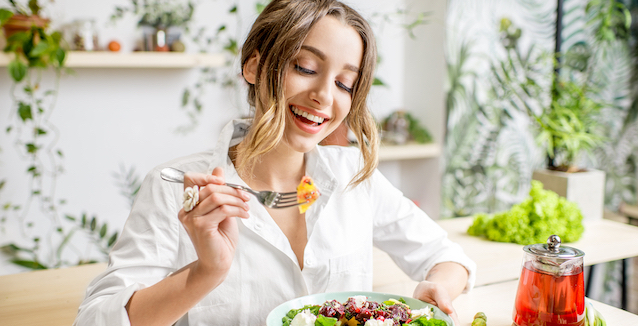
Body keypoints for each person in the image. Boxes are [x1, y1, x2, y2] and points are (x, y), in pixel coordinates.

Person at [74, 0, 476, 325]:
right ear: (254, 66)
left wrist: (437, 288)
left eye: (344, 83)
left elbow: (447, 257)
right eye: (305, 67)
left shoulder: (354, 176)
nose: (324, 96)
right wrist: (206, 272)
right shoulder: (176, 187)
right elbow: (96, 319)